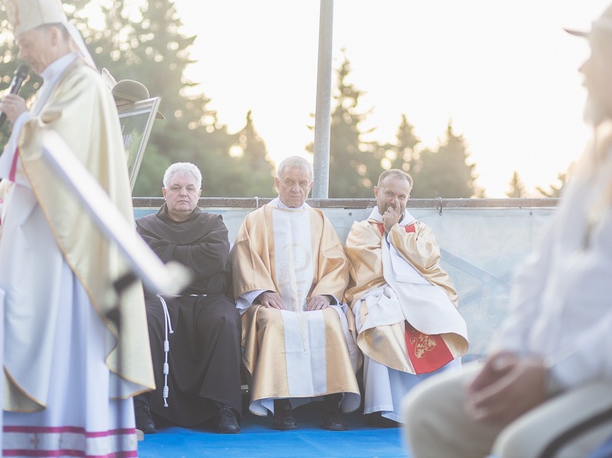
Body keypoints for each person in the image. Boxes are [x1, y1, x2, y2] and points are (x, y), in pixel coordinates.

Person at [403, 0, 612, 458]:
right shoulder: (601, 158)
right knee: (432, 411)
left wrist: (553, 375)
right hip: (551, 364)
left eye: (600, 52)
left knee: (528, 446)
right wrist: (512, 352)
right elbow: (540, 269)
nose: (584, 70)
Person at [0, 0, 153, 456]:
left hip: (71, 253)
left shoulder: (85, 85)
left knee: (67, 343)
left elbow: (57, 159)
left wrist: (21, 121)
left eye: (27, 41)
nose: (22, 53)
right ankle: (38, 438)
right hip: (40, 244)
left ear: (55, 34)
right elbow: (21, 179)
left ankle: (76, 437)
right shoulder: (51, 87)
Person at [230, 156, 360, 431]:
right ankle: (282, 404)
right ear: (277, 183)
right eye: (289, 182)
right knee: (276, 323)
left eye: (302, 183)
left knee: (330, 321)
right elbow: (244, 257)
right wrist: (262, 291)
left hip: (313, 301)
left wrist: (325, 295)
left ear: (310, 186)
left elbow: (336, 263)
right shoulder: (257, 219)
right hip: (274, 303)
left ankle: (331, 403)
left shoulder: (318, 220)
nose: (295, 189)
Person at [344, 168, 468, 427]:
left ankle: (442, 406)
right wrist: (392, 236)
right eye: (389, 194)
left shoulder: (420, 229)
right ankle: (386, 408)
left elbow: (428, 261)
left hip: (421, 292)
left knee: (448, 320)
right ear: (377, 192)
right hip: (380, 293)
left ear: (408, 198)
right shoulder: (362, 230)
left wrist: (395, 232)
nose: (394, 201)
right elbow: (373, 270)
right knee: (382, 323)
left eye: (401, 196)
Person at [134, 162, 242, 434]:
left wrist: (167, 253)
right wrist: (194, 255)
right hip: (160, 299)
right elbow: (147, 262)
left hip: (207, 298)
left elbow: (214, 259)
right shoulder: (145, 226)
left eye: (190, 188)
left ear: (199, 193)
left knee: (224, 319)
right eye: (176, 188)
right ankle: (143, 404)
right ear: (164, 192)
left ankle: (223, 407)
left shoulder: (213, 224)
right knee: (145, 320)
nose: (183, 193)